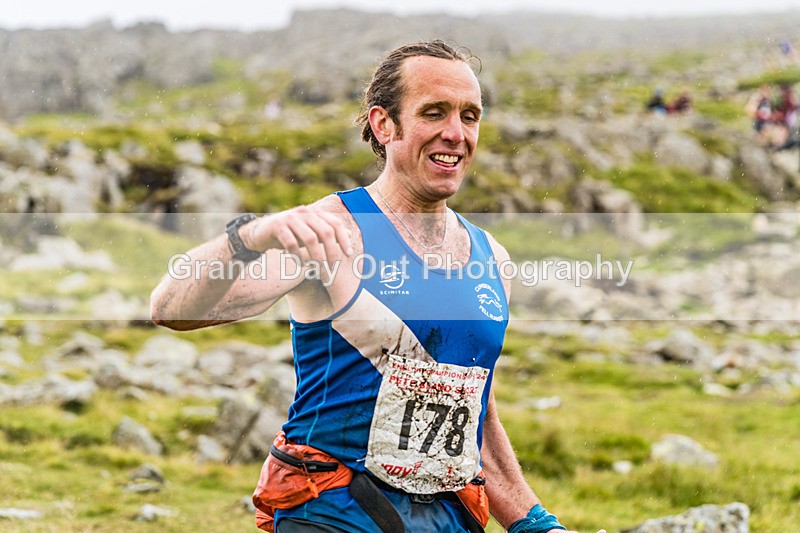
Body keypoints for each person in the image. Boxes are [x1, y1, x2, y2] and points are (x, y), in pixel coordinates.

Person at [151, 40, 604, 533]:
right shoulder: (332, 230)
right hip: (332, 510)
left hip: (446, 517)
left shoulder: (491, 257)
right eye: (434, 113)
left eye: (470, 116)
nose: (455, 134)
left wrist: (536, 525)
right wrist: (248, 236)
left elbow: (475, 415)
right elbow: (171, 308)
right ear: (384, 124)